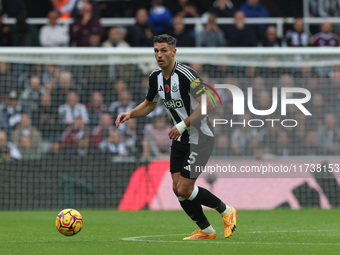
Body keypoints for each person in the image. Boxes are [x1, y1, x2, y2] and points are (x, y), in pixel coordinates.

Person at [115, 34, 237, 240]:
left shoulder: (186, 74)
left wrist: (181, 125)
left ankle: (226, 210)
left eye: (163, 50)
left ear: (174, 52)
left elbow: (209, 104)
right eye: (156, 51)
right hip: (180, 138)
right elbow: (149, 104)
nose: (159, 55)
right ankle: (207, 231)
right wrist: (130, 113)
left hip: (200, 138)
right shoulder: (155, 77)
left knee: (185, 188)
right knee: (177, 189)